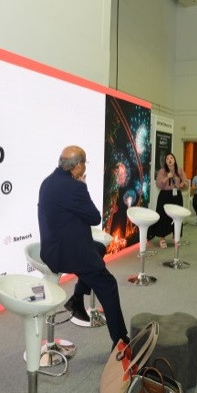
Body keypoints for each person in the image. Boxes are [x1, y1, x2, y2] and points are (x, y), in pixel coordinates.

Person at [38, 145, 128, 347]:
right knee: (109, 285)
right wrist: (83, 186)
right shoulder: (75, 187)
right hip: (69, 253)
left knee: (99, 248)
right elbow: (95, 217)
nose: (85, 167)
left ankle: (77, 298)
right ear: (78, 166)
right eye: (84, 164)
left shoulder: (47, 182)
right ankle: (121, 341)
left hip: (52, 249)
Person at [148, 153, 189, 249]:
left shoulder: (179, 170)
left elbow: (186, 182)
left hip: (176, 195)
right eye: (167, 158)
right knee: (163, 216)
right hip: (165, 196)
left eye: (171, 158)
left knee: (177, 216)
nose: (170, 160)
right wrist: (167, 177)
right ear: (165, 161)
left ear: (174, 160)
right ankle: (162, 238)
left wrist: (183, 184)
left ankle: (175, 236)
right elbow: (158, 184)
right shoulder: (162, 171)